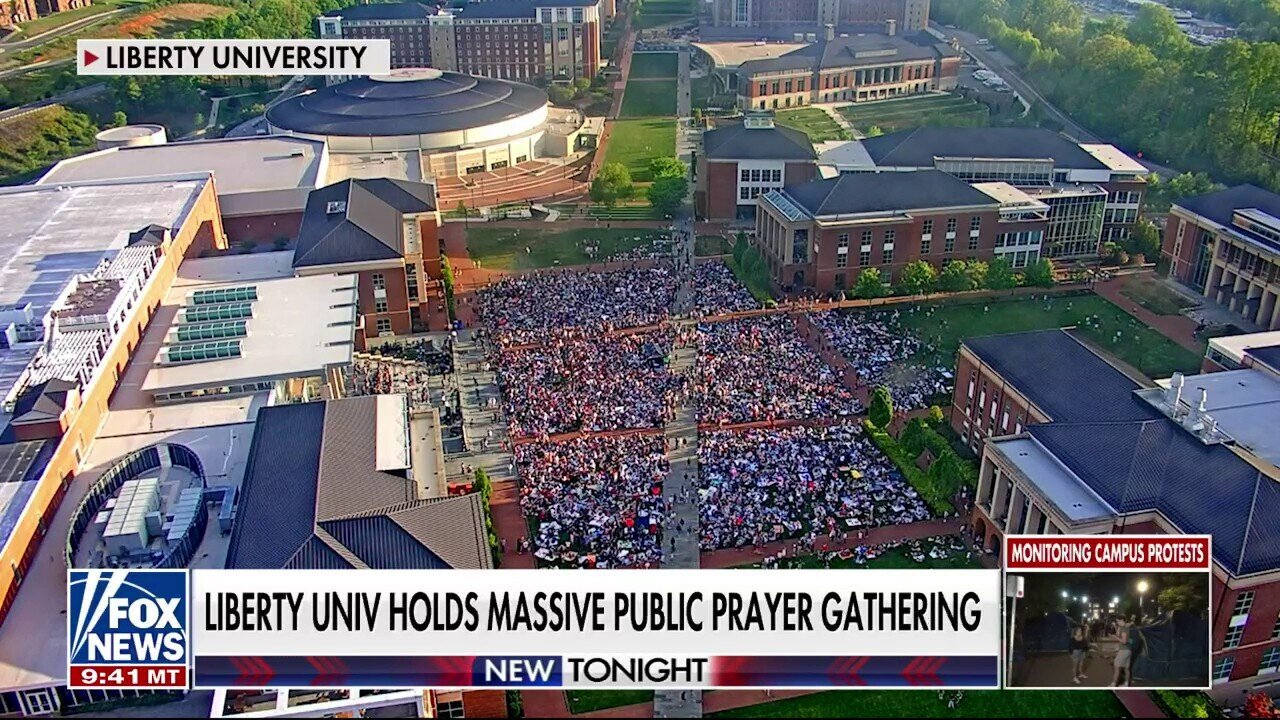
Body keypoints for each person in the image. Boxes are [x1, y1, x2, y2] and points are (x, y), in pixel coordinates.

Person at [1111, 618, 1133, 687]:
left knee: (1116, 667)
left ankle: (1113, 684)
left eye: (1118, 621)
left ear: (1123, 620)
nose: (1117, 622)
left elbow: (1124, 641)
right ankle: (1126, 684)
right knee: (1126, 668)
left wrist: (1115, 637)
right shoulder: (1125, 627)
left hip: (1124, 650)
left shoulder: (1124, 629)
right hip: (1128, 650)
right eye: (1117, 621)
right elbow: (1120, 635)